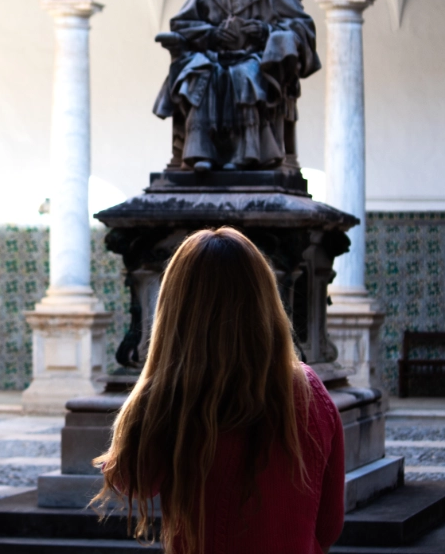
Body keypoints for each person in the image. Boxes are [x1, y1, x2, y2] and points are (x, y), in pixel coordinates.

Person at [92, 227, 344, 554]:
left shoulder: (173, 398)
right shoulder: (310, 392)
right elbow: (329, 525)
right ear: (265, 299)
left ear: (175, 311)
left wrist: (153, 385)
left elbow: (129, 480)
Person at [153, 0, 321, 171]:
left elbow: (302, 26)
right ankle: (201, 154)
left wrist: (265, 31)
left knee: (245, 75)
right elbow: (181, 24)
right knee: (200, 73)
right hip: (215, 57)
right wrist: (212, 34)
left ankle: (246, 155)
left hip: (258, 59)